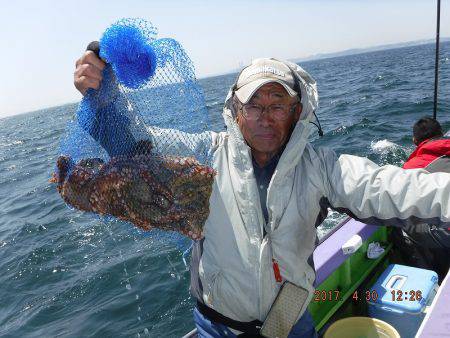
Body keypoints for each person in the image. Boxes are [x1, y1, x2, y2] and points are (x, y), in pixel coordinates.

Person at [74, 52, 450, 337]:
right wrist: (104, 95)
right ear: (235, 111)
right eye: (254, 105)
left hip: (291, 320)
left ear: (297, 111)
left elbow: (393, 186)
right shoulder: (206, 154)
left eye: (278, 105)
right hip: (216, 325)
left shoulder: (320, 168)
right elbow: (139, 146)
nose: (265, 116)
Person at [392, 117, 450, 283]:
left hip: (445, 233)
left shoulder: (410, 169)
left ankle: (433, 279)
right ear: (441, 134)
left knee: (399, 224)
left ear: (415, 141)